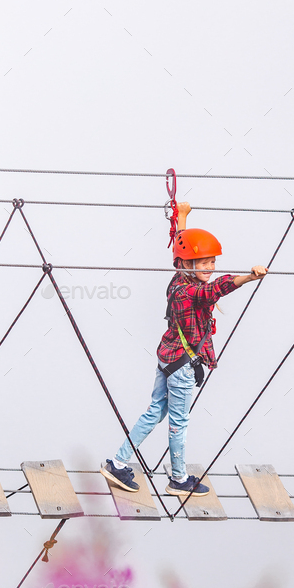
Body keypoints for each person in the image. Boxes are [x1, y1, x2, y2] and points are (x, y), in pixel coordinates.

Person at [101, 202, 268, 496]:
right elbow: (217, 288)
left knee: (155, 411)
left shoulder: (179, 277)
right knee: (179, 422)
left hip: (168, 357)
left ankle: (117, 462)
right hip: (182, 365)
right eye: (203, 263)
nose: (210, 267)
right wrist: (250, 277)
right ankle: (178, 479)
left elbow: (183, 246)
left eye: (212, 262)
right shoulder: (193, 290)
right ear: (189, 265)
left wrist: (182, 218)